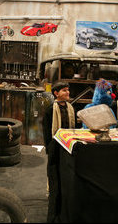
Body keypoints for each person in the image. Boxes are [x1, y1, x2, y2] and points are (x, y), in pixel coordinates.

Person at [42, 81, 76, 222]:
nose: (67, 93)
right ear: (56, 93)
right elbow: (46, 130)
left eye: (68, 90)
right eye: (64, 91)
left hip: (68, 145)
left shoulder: (70, 107)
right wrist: (49, 147)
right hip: (55, 146)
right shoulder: (50, 110)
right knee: (54, 173)